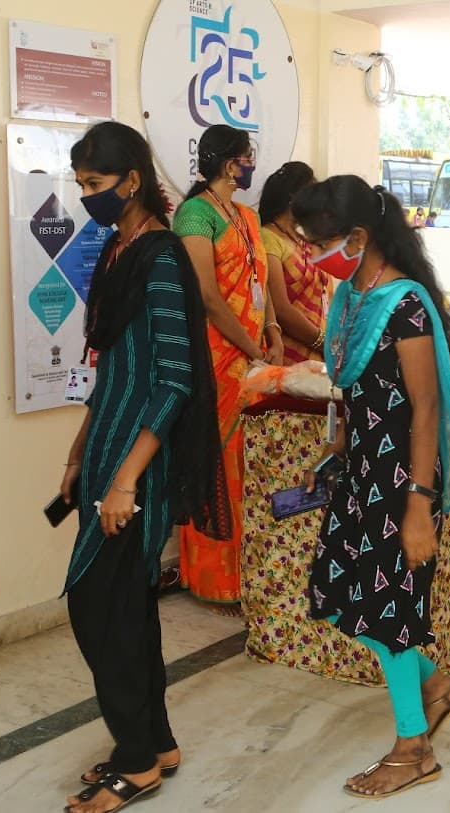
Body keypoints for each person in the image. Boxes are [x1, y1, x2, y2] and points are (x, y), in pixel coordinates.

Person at [295, 176, 450, 799]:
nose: (311, 254)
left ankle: (415, 748)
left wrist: (418, 507)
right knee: (336, 593)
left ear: (360, 237)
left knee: (388, 614)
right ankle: (436, 686)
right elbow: (356, 391)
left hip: (404, 480)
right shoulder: (350, 297)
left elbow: (426, 408)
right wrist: (337, 446)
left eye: (320, 242)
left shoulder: (405, 303)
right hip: (361, 472)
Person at [58, 121, 230, 813]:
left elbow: (175, 380)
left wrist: (126, 477)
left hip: (140, 458)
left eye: (95, 185)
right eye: (80, 187)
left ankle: (135, 760)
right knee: (123, 606)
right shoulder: (116, 247)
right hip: (107, 448)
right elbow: (113, 369)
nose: (87, 198)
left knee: (99, 607)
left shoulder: (159, 256)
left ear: (130, 179)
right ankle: (155, 742)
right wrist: (79, 450)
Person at [174, 125, 282, 608]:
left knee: (251, 463)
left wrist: (273, 331)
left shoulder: (248, 216)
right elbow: (206, 296)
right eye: (245, 156)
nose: (250, 164)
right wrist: (250, 347)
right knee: (217, 461)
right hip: (217, 357)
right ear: (225, 161)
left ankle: (251, 574)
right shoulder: (194, 214)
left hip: (255, 354)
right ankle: (214, 580)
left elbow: (260, 277)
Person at [260, 161, 327, 365]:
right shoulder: (268, 236)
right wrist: (323, 343)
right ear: (293, 196)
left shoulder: (305, 239)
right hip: (289, 353)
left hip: (322, 355)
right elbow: (280, 308)